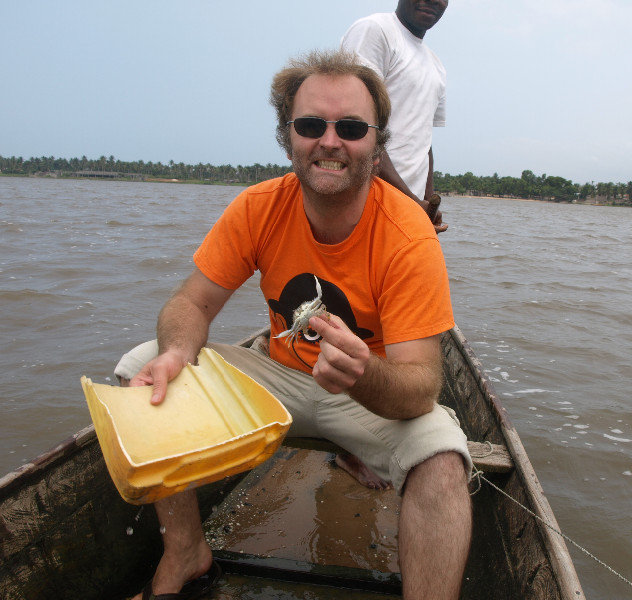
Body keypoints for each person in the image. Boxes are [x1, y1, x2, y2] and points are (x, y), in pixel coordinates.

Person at [116, 49, 472, 600]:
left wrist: (363, 374)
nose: (330, 141)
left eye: (351, 127)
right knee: (142, 367)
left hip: (368, 393)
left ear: (376, 142)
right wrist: (176, 351)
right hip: (279, 377)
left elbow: (421, 386)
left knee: (445, 464)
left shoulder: (408, 235)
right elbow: (191, 304)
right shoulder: (259, 207)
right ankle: (186, 551)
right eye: (312, 125)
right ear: (288, 136)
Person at [341, 0, 449, 233]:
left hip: (407, 213)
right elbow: (358, 127)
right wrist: (411, 202)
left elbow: (425, 141)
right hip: (364, 205)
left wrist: (427, 204)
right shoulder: (375, 31)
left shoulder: (437, 66)